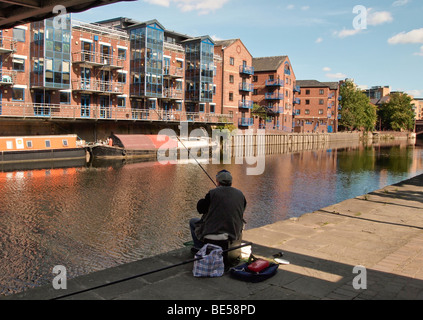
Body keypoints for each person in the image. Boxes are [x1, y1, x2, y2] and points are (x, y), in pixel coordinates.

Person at [189, 169, 247, 252]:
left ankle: (199, 248)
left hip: (213, 232)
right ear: (231, 182)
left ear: (218, 181)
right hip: (233, 233)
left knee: (193, 222)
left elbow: (200, 209)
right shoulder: (240, 194)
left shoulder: (212, 193)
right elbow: (242, 210)